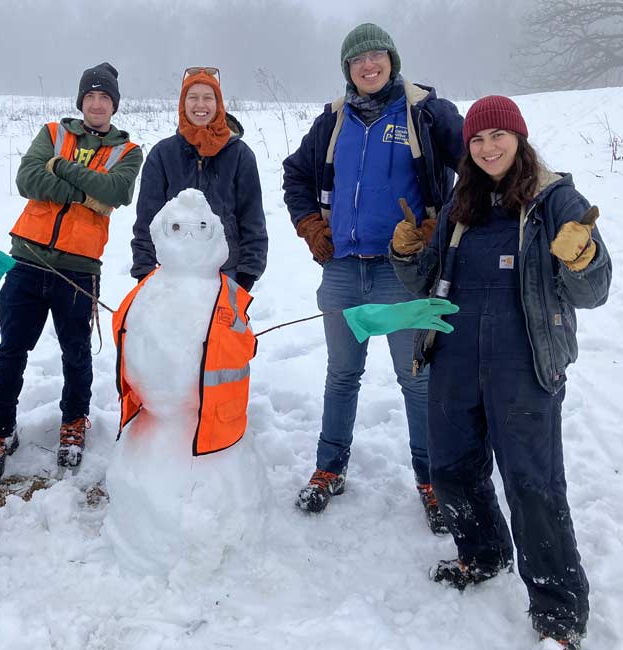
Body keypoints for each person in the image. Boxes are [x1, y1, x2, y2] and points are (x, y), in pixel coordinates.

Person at [390, 95, 610, 649]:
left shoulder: (557, 200)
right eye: (478, 139)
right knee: (452, 469)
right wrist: (407, 252)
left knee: (533, 485)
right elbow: (425, 285)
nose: (488, 147)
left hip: (525, 361)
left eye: (499, 136)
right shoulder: (462, 202)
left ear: (519, 138)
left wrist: (582, 258)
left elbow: (595, 292)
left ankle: (559, 610)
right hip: (455, 356)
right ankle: (482, 554)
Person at [282, 23, 464, 531]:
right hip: (342, 271)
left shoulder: (424, 112)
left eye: (377, 56)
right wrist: (310, 224)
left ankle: (432, 480)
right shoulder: (333, 120)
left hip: (401, 273)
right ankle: (329, 468)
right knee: (342, 376)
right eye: (357, 60)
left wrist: (441, 223)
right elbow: (295, 173)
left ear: (392, 60)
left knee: (416, 380)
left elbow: (477, 165)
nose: (368, 65)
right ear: (348, 69)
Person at [0, 62, 143, 485]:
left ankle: (74, 423)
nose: (97, 104)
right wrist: (89, 190)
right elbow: (28, 179)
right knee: (12, 350)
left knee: (76, 352)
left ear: (114, 105)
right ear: (81, 101)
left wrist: (61, 168)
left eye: (105, 98)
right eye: (91, 97)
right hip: (27, 259)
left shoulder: (128, 151)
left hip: (79, 268)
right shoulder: (53, 133)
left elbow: (117, 192)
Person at [131, 66, 267, 290]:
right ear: (183, 104)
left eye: (208, 97)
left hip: (227, 274)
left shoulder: (240, 155)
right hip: (172, 274)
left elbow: (252, 218)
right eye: (192, 97)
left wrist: (248, 272)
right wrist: (144, 270)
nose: (200, 105)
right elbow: (147, 218)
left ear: (218, 103)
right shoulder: (162, 154)